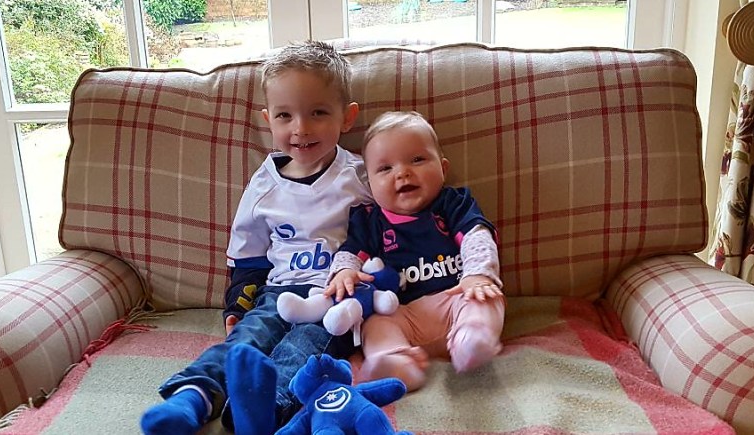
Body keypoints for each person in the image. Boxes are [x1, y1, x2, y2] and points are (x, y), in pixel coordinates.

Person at [141, 40, 370, 434]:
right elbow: (248, 257)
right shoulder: (264, 183)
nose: (301, 128)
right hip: (277, 293)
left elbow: (389, 228)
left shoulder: (360, 176)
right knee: (245, 342)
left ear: (347, 117)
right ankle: (191, 397)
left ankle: (262, 410)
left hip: (335, 300)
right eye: (285, 115)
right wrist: (237, 307)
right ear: (268, 120)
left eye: (318, 113)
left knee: (302, 349)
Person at [324, 111, 505, 393]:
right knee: (375, 323)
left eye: (417, 160)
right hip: (403, 314)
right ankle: (396, 361)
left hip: (455, 298)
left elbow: (476, 236)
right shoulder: (369, 220)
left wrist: (478, 275)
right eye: (385, 168)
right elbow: (351, 252)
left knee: (485, 297)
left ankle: (471, 340)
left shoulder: (453, 204)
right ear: (370, 185)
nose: (402, 173)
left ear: (443, 168)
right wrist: (344, 271)